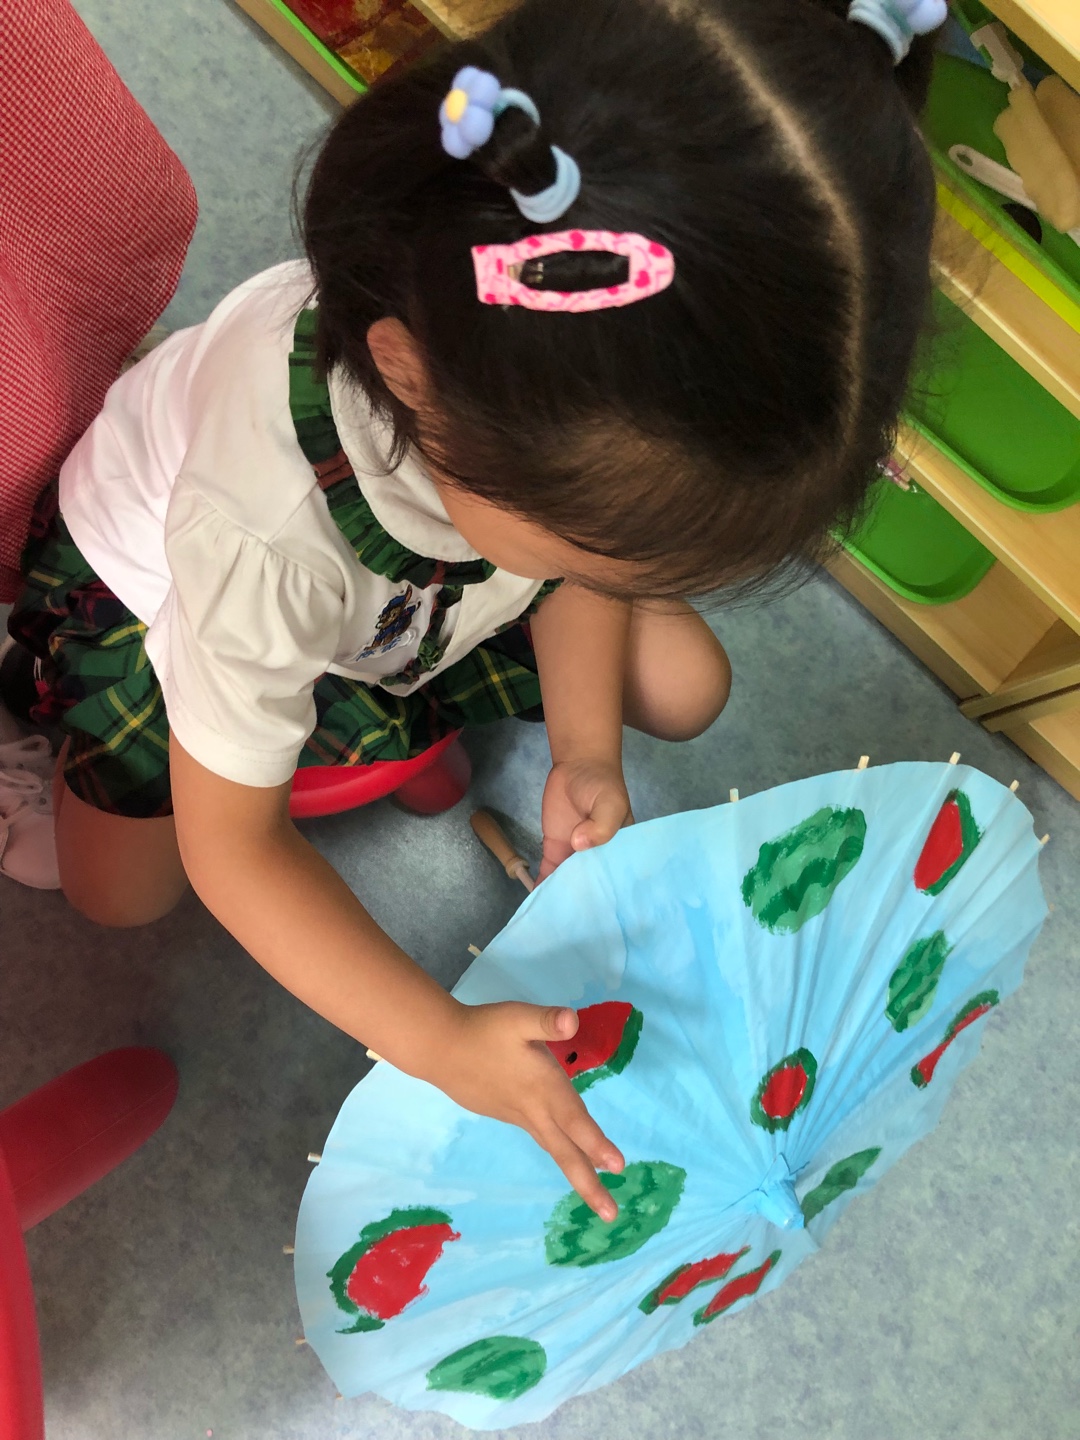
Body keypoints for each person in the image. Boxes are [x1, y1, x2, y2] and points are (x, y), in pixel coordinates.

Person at [3, 0, 943, 1217]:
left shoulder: (512, 393)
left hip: (414, 586)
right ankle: (41, 734)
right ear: (409, 378)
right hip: (162, 596)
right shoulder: (262, 536)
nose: (618, 570)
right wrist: (439, 1039)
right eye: (604, 541)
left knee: (686, 683)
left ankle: (393, 688)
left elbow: (564, 569)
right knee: (119, 896)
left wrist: (587, 753)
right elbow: (235, 850)